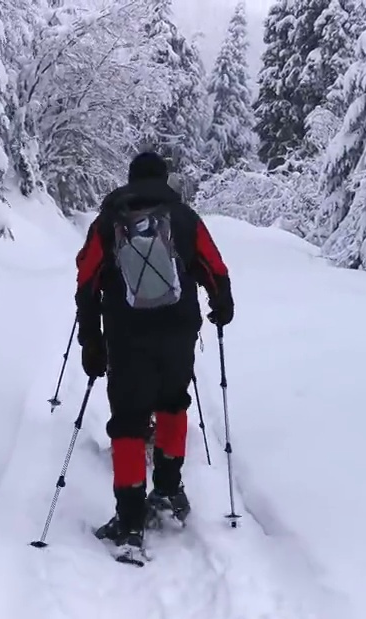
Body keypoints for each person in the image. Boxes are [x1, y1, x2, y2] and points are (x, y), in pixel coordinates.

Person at [74, 151, 234, 558]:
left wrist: (91, 339)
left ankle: (130, 522)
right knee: (172, 406)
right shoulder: (184, 218)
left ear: (130, 180)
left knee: (127, 425)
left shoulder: (110, 221)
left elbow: (86, 280)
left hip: (126, 340)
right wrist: (221, 304)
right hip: (178, 333)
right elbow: (215, 268)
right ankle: (166, 491)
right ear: (165, 180)